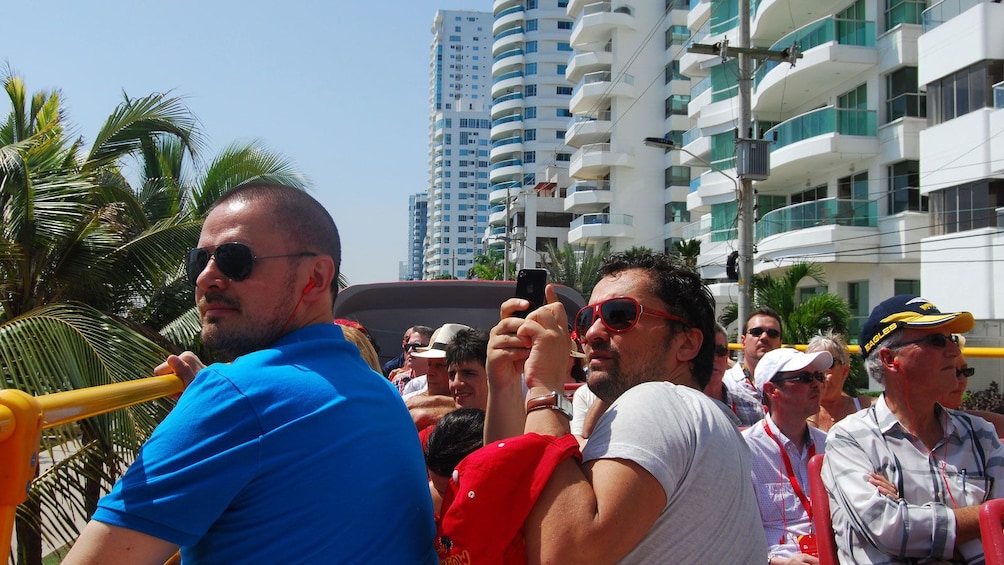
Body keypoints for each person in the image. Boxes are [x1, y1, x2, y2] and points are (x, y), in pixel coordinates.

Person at [63, 184, 437, 564]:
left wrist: (218, 400)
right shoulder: (377, 390)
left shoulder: (236, 399)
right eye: (199, 260)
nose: (205, 278)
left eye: (233, 259)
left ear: (315, 277)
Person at [485, 251, 766, 563]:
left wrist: (543, 389)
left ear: (686, 343)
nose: (591, 333)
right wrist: (507, 387)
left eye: (619, 315)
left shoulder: (659, 400)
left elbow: (565, 554)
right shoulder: (702, 418)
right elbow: (509, 490)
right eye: (586, 318)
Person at [823, 295, 1004, 564]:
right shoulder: (850, 438)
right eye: (936, 341)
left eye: (951, 339)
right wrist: (982, 518)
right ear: (889, 359)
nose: (954, 352)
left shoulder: (981, 434)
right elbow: (889, 529)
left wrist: (912, 517)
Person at [743, 347, 832, 564]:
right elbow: (733, 532)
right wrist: (774, 561)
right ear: (772, 390)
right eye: (804, 377)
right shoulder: (745, 451)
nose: (816, 384)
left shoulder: (830, 445)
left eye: (819, 376)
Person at [724, 306, 784, 425]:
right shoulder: (725, 384)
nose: (764, 337)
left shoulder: (792, 386)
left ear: (780, 343)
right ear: (743, 341)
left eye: (772, 333)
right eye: (756, 332)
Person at [806, 331, 872, 432]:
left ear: (845, 371)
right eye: (814, 364)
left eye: (828, 363)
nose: (820, 371)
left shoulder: (866, 408)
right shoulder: (796, 412)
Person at [702, 322, 748, 426]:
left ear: (727, 355)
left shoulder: (752, 406)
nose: (714, 358)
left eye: (720, 351)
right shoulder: (677, 406)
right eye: (707, 351)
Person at [446, 327, 490, 410]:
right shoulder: (442, 422)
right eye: (452, 375)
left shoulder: (517, 421)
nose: (456, 383)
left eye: (468, 374)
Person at [390, 325, 434, 392]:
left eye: (416, 346)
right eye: (408, 346)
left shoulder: (439, 382)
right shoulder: (398, 381)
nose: (410, 351)